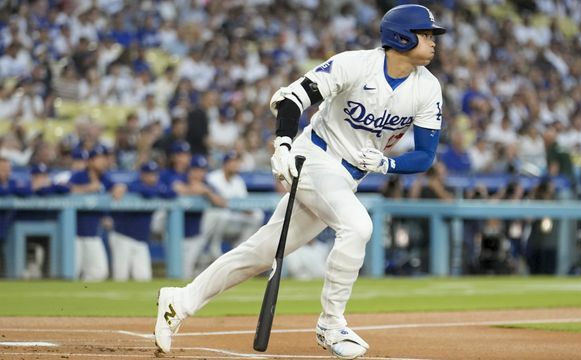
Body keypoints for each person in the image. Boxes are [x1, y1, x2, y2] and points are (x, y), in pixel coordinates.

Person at [155, 5, 445, 359]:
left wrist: (388, 163)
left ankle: (180, 300)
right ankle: (331, 324)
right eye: (426, 34)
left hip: (347, 178)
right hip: (315, 159)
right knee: (357, 226)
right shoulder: (354, 64)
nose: (432, 41)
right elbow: (293, 98)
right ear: (401, 37)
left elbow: (426, 154)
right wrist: (283, 144)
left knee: (261, 252)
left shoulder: (428, 88)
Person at [109, 161, 175, 281]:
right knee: (120, 277)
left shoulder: (157, 186)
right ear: (142, 174)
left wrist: (157, 189)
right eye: (149, 174)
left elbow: (172, 193)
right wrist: (157, 190)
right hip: (122, 236)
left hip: (141, 240)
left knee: (143, 277)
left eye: (154, 174)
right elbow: (146, 193)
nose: (152, 177)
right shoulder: (133, 185)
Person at [68, 145, 126, 281]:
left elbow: (117, 188)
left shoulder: (105, 178)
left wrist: (120, 188)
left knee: (99, 271)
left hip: (93, 232)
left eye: (104, 158)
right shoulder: (79, 176)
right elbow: (66, 190)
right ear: (90, 161)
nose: (102, 162)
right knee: (72, 272)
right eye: (98, 158)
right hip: (74, 233)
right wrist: (88, 188)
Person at [203, 151, 264, 259]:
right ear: (225, 164)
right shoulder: (213, 177)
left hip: (232, 218)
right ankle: (214, 246)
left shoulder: (238, 181)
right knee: (223, 214)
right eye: (232, 162)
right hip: (214, 219)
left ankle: (240, 249)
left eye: (237, 162)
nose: (235, 165)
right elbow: (217, 201)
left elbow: (243, 202)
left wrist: (246, 209)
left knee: (258, 215)